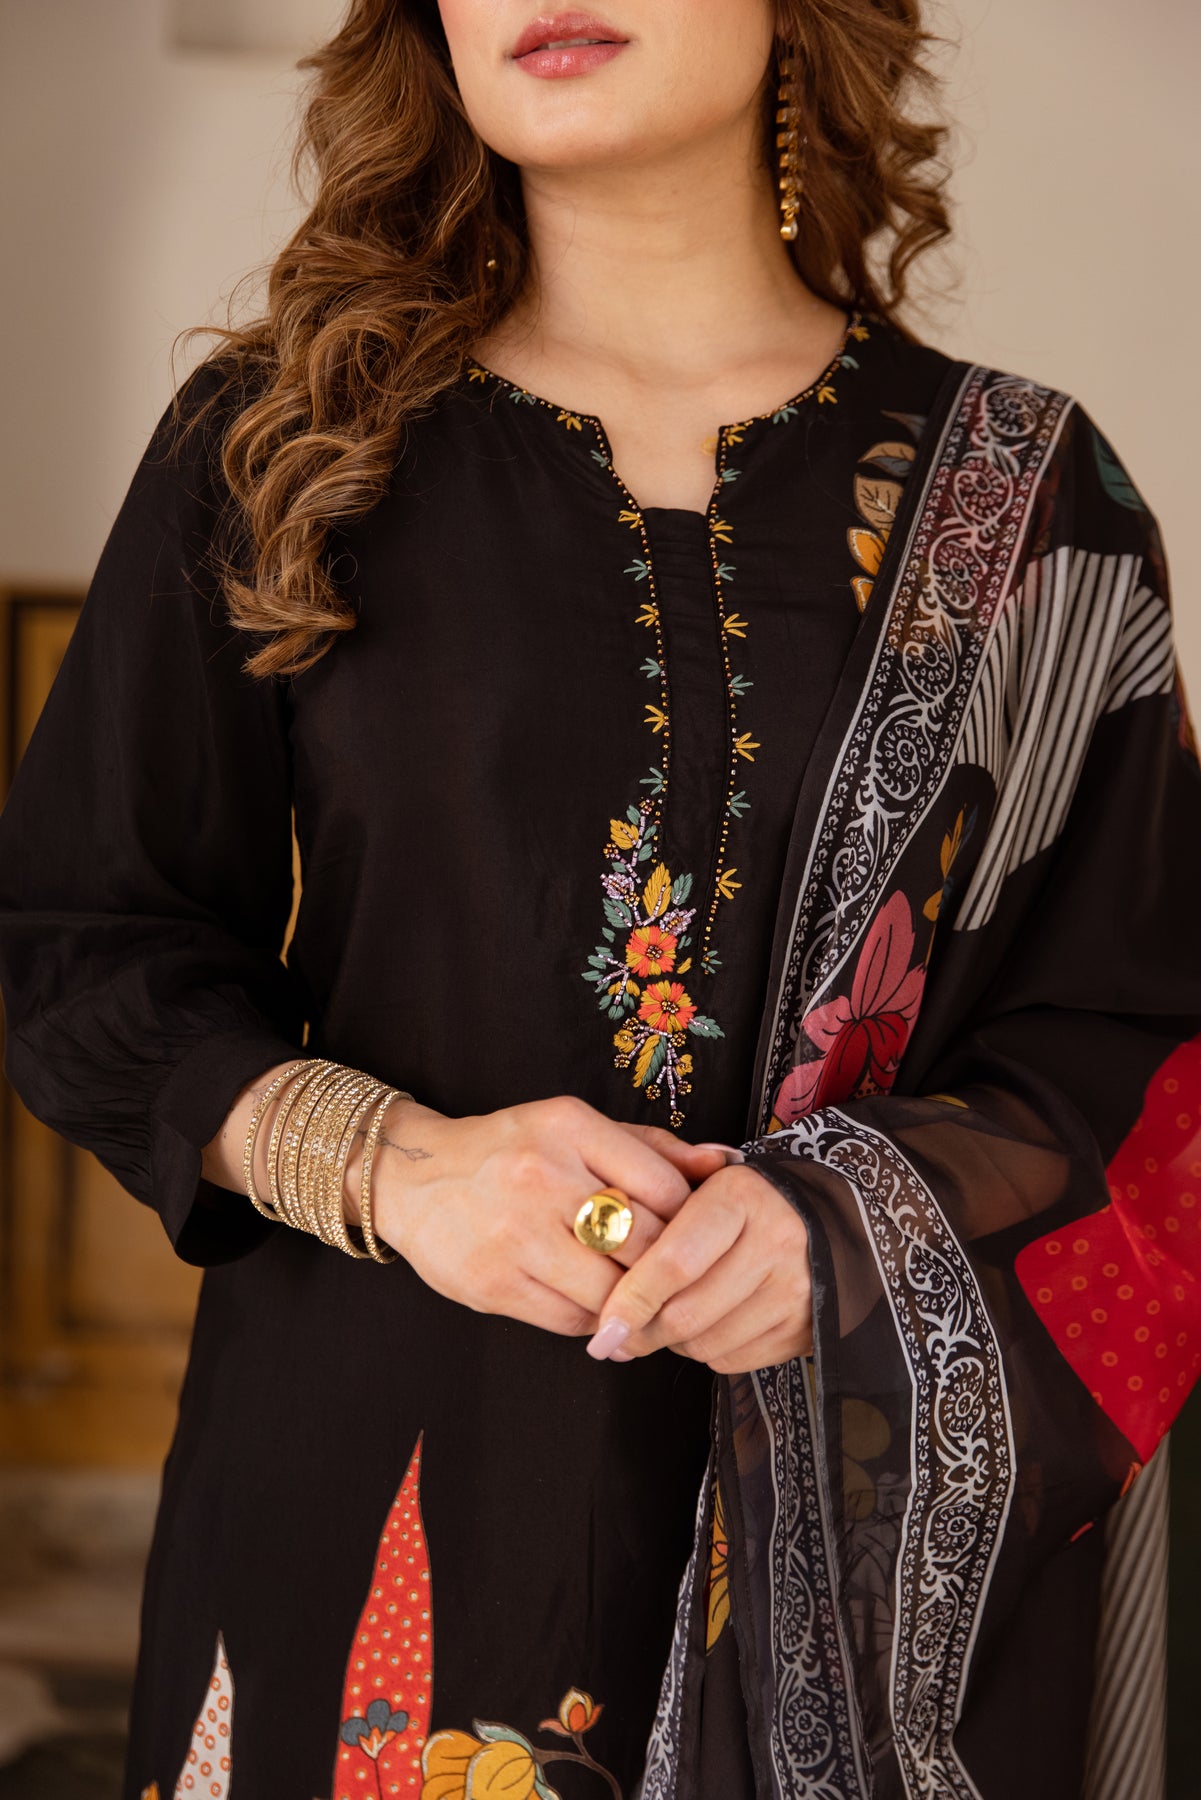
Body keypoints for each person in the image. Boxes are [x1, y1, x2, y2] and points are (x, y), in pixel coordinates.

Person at [0, 1, 1197, 1796]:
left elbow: (1134, 1044)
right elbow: (88, 948)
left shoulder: (1034, 508)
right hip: (373, 1504)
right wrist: (397, 1167)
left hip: (866, 1568)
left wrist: (845, 1226)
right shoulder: (287, 441)